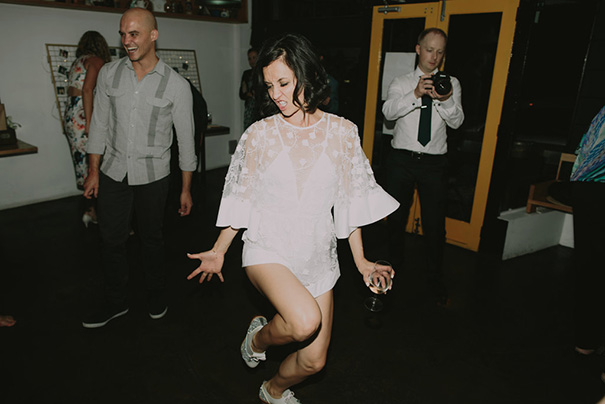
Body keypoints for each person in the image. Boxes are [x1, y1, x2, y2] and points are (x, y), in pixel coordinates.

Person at [187, 33, 399, 404]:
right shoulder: (260, 135)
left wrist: (362, 262)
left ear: (308, 73)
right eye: (269, 86)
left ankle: (273, 391)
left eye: (283, 83)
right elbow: (241, 197)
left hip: (318, 254)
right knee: (304, 322)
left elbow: (349, 202)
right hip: (268, 247)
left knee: (314, 361)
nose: (276, 95)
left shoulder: (343, 133)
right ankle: (256, 341)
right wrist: (219, 250)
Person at [82, 7, 197, 328]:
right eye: (122, 34)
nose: (127, 41)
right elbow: (99, 125)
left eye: (134, 34)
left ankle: (156, 296)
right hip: (113, 171)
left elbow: (186, 141)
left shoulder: (176, 85)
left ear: (153, 35)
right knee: (110, 241)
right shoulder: (108, 73)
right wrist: (94, 170)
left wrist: (186, 189)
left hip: (154, 176)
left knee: (151, 240)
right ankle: (116, 302)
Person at [381, 27, 464, 306]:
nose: (434, 57)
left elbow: (457, 122)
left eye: (440, 52)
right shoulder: (402, 81)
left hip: (434, 163)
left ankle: (434, 278)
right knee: (395, 221)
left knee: (435, 225)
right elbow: (388, 112)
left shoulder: (451, 83)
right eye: (429, 50)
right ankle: (392, 272)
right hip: (401, 160)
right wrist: (416, 93)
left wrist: (446, 100)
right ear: (418, 49)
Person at [570, 106, 605, 381]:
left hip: (585, 184)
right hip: (593, 185)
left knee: (589, 266)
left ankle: (586, 340)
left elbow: (586, 146)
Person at [63, 31, 112, 227]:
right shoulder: (96, 61)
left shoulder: (78, 61)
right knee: (98, 166)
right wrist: (90, 123)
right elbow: (87, 89)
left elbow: (75, 90)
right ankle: (101, 214)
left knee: (83, 164)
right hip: (83, 116)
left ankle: (89, 210)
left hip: (72, 114)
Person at [239, 47, 259, 130]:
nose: (252, 61)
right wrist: (248, 94)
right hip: (249, 108)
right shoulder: (247, 74)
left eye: (254, 58)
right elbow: (241, 94)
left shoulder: (263, 73)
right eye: (250, 59)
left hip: (260, 108)